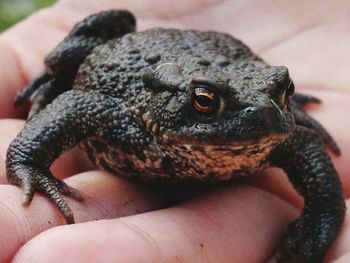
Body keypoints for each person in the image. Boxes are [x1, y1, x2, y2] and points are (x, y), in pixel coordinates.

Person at [0, 0, 349, 262]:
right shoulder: (136, 127)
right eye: (205, 103)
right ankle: (49, 78)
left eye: (282, 94)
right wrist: (28, 161)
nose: (259, 117)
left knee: (255, 98)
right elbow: (77, 105)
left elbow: (317, 178)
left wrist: (320, 224)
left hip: (221, 54)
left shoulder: (275, 138)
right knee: (66, 57)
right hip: (136, 64)